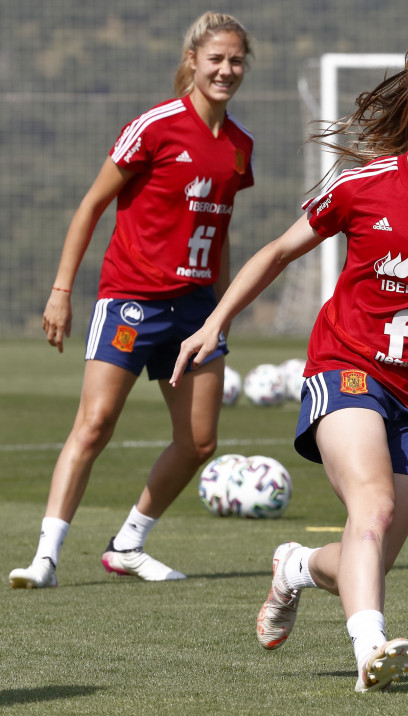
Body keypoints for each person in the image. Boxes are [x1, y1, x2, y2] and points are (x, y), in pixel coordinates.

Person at [171, 35, 408, 693]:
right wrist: (215, 321)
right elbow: (276, 253)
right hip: (347, 370)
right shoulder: (361, 187)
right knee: (372, 506)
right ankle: (370, 648)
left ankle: (293, 567)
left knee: (366, 555)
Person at [9, 13, 255, 590]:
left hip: (196, 311)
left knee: (199, 442)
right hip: (131, 303)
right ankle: (44, 557)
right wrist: (62, 291)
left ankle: (128, 543)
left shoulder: (241, 145)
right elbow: (91, 206)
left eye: (237, 60)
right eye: (216, 58)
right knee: (94, 425)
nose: (226, 69)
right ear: (193, 59)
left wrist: (218, 314)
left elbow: (218, 235)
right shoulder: (154, 126)